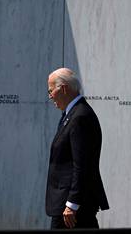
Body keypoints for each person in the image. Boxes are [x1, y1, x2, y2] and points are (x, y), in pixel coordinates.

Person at [45, 68, 109, 229]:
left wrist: (72, 204)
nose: (50, 96)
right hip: (67, 205)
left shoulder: (80, 116)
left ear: (64, 88)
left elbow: (82, 165)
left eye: (51, 90)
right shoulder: (71, 114)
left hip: (73, 209)